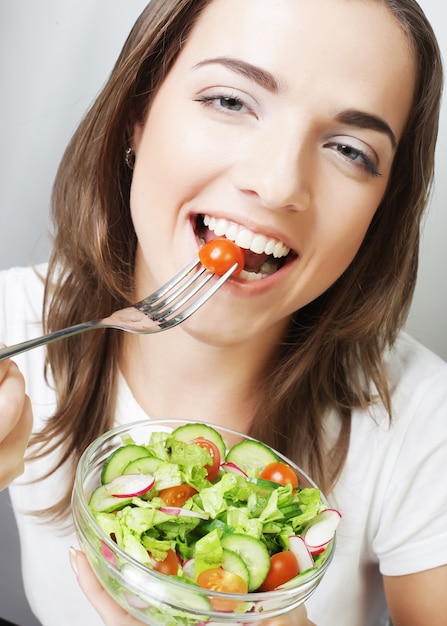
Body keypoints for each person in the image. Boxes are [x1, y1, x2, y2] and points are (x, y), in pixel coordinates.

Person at [1, 0, 446, 624]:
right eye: (231, 102)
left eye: (349, 149)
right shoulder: (16, 326)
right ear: (137, 115)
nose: (279, 183)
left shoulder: (425, 421)